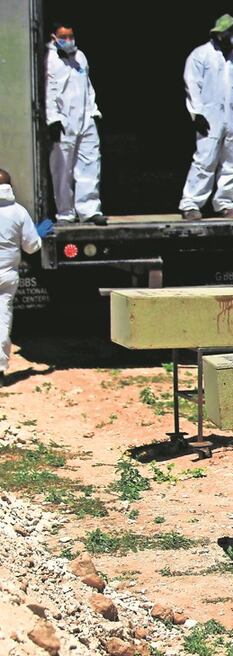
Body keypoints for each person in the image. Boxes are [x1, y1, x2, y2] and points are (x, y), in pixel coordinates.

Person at [179, 14, 233, 221]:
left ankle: (224, 203)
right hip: (210, 117)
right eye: (231, 33)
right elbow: (192, 84)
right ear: (220, 33)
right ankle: (191, 204)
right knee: (205, 160)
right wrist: (196, 113)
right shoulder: (201, 55)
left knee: (232, 161)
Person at [45, 22, 106, 226]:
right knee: (63, 169)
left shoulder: (80, 57)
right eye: (64, 36)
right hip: (63, 121)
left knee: (90, 163)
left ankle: (89, 210)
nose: (69, 40)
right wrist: (52, 118)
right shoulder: (49, 60)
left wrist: (93, 111)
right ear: (54, 37)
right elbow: (47, 90)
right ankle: (65, 212)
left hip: (85, 118)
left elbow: (87, 86)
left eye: (71, 36)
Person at [0, 170, 51, 386]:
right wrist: (38, 234)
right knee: (2, 320)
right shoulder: (19, 212)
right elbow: (31, 247)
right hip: (7, 276)